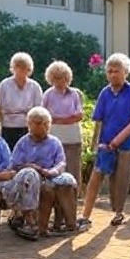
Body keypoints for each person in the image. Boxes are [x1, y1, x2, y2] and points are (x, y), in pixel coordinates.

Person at [78, 53, 130, 228]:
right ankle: (85, 215)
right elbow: (98, 120)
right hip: (105, 144)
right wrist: (96, 144)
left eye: (117, 71)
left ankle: (118, 212)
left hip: (127, 144)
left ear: (126, 72)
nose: (112, 74)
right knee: (96, 176)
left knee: (120, 180)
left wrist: (120, 138)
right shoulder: (105, 93)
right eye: (109, 71)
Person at [6, 107, 78, 239]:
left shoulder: (54, 142)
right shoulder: (23, 142)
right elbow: (14, 164)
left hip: (49, 175)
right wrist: (32, 167)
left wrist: (50, 172)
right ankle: (35, 224)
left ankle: (69, 223)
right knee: (39, 182)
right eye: (38, 123)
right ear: (29, 125)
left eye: (45, 123)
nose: (42, 126)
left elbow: (61, 163)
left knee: (68, 180)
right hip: (31, 178)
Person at [42, 61, 84, 192]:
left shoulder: (74, 94)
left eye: (63, 77)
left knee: (73, 168)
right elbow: (44, 116)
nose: (60, 81)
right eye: (57, 78)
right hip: (54, 137)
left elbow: (79, 115)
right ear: (51, 79)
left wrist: (58, 119)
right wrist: (67, 119)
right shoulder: (48, 94)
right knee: (56, 167)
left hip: (73, 137)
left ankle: (74, 196)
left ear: (68, 78)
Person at [0, 52, 42, 149]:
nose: (21, 70)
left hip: (28, 127)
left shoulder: (35, 86)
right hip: (8, 127)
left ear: (29, 69)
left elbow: (38, 109)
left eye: (24, 67)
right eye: (18, 66)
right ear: (13, 68)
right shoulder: (4, 84)